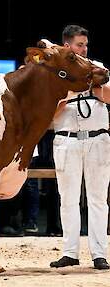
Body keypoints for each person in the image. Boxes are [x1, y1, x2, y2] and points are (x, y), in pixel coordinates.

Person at [50, 25, 110, 270]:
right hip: (66, 139)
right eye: (79, 45)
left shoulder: (98, 68)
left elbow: (109, 96)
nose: (84, 49)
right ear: (67, 46)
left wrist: (91, 87)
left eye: (85, 44)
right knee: (68, 199)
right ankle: (70, 252)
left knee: (98, 199)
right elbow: (49, 113)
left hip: (98, 140)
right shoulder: (54, 73)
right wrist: (71, 93)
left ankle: (99, 254)